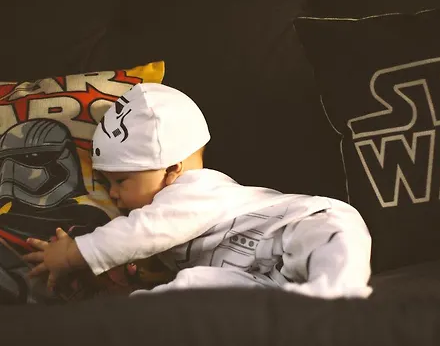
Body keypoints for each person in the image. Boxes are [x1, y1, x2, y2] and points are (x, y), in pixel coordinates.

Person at [24, 83, 373, 299]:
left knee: (336, 247)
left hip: (303, 226)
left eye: (121, 181)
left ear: (172, 170)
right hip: (265, 276)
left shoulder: (192, 190)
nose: (113, 194)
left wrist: (73, 254)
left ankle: (340, 301)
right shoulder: (172, 221)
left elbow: (142, 231)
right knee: (189, 285)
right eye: (107, 183)